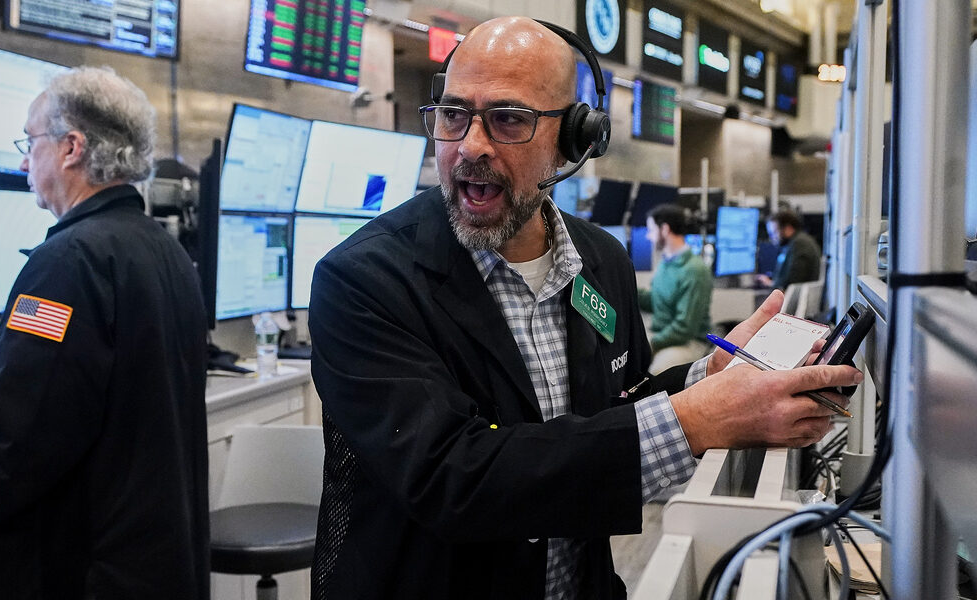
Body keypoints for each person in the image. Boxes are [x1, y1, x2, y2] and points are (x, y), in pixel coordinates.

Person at [309, 17, 860, 600]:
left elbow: (613, 408)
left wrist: (708, 378)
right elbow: (452, 475)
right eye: (453, 114)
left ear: (573, 139)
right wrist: (695, 421)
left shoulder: (600, 260)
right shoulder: (364, 280)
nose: (470, 145)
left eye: (507, 118)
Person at [0, 67, 210, 599]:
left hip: (84, 572)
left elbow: (19, 448)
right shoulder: (165, 251)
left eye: (30, 142)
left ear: (71, 148)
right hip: (157, 565)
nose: (24, 161)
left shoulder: (64, 264)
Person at [638, 204, 713, 374]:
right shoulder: (666, 263)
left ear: (665, 229)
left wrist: (652, 343)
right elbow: (657, 301)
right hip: (664, 336)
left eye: (651, 230)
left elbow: (684, 328)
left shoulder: (694, 270)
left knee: (657, 372)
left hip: (689, 341)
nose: (648, 236)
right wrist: (626, 291)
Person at [757, 209, 822, 290]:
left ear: (788, 228)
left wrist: (771, 283)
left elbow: (794, 281)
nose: (772, 238)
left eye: (774, 232)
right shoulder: (796, 242)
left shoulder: (800, 244)